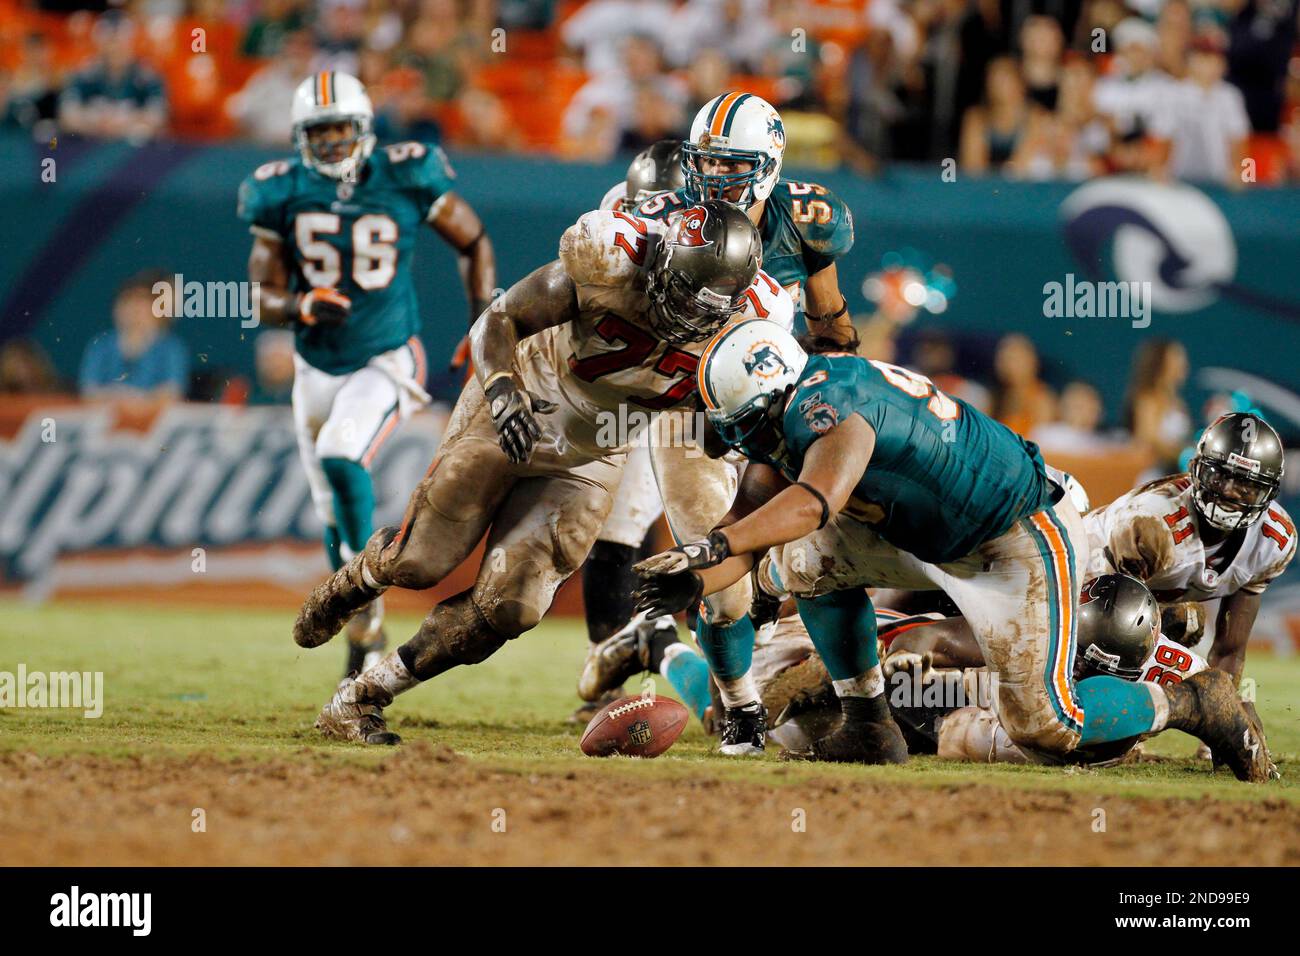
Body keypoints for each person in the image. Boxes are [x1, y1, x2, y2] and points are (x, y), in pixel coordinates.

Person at [632, 319, 1272, 781]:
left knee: (1047, 728)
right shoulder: (803, 400)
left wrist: (712, 546)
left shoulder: (833, 410)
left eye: (745, 422)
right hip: (928, 536)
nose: (742, 441)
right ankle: (866, 720)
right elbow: (752, 521)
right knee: (803, 561)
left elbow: (815, 502)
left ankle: (1190, 703)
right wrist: (696, 577)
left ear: (773, 397)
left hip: (1012, 535)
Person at [293, 201, 792, 745]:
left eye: (709, 305)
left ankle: (361, 698)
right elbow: (500, 319)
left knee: (512, 607)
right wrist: (503, 393)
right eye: (683, 292)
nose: (691, 315)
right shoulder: (613, 256)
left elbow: (726, 428)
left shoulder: (755, 323)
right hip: (523, 404)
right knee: (420, 562)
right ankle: (356, 582)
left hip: (594, 452)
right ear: (664, 262)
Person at [238, 70, 496, 678]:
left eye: (340, 129)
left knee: (340, 455)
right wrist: (299, 305)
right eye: (319, 131)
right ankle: (365, 630)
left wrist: (482, 321)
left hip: (386, 355)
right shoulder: (278, 191)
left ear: (365, 130)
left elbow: (473, 238)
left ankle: (361, 593)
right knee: (331, 507)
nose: (330, 142)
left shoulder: (406, 173)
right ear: (302, 135)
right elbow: (261, 294)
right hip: (315, 364)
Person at [627, 92, 857, 749]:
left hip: (776, 418)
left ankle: (853, 699)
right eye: (705, 163)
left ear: (768, 165)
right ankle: (741, 710)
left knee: (814, 562)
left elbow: (831, 322)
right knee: (719, 582)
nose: (712, 179)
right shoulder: (662, 219)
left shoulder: (805, 221)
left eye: (731, 166)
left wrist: (843, 387)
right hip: (690, 416)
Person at [573, 140, 687, 722]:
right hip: (634, 383)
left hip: (693, 385)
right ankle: (609, 665)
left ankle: (730, 669)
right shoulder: (616, 214)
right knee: (619, 526)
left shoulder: (721, 228)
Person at [1083, 413, 1294, 690]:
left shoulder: (1272, 539)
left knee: (1191, 629)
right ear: (1197, 469)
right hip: (1076, 596)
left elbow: (1230, 651)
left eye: (1246, 484)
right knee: (1192, 665)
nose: (1230, 492)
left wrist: (1238, 702)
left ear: (1268, 492)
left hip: (1123, 607)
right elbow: (1106, 625)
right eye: (1220, 476)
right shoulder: (1152, 523)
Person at [79, 270, 189, 401]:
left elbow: (171, 392)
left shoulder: (171, 348)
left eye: (142, 303)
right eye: (127, 301)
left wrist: (137, 404)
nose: (134, 310)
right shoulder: (100, 345)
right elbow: (88, 391)